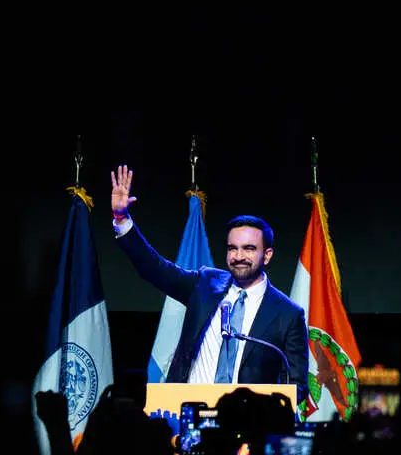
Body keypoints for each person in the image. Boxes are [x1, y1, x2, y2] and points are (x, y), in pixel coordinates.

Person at [108, 165, 309, 389]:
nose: (238, 256)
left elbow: (297, 385)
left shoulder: (288, 315)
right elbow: (155, 269)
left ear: (267, 255)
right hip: (189, 411)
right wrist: (122, 218)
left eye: (249, 248)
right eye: (232, 248)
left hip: (248, 419)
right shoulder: (204, 284)